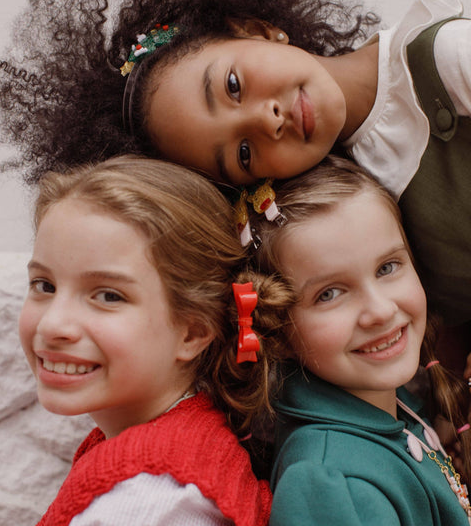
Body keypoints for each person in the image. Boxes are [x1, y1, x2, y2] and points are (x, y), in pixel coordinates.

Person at [0, 0, 471, 404]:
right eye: (244, 153)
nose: (268, 119)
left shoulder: (455, 60)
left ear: (256, 28)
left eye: (232, 86)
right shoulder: (340, 192)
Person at [19, 156, 293, 525]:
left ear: (193, 332)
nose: (53, 325)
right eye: (44, 285)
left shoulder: (148, 504)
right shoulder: (183, 441)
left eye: (108, 296)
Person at [249, 155, 471, 526]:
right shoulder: (332, 485)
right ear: (275, 331)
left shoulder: (390, 403)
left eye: (387, 267)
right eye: (330, 294)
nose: (380, 311)